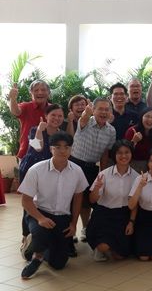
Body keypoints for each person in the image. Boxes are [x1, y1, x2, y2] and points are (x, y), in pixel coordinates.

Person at [18, 132, 88, 279]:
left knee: (59, 263)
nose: (62, 151)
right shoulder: (36, 169)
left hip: (62, 216)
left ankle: (42, 248)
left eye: (66, 147)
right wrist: (40, 218)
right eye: (58, 147)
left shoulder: (77, 171)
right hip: (39, 213)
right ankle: (36, 256)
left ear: (71, 149)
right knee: (41, 234)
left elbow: (78, 198)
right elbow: (26, 200)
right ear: (51, 149)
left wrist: (74, 223)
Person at [70, 97, 115, 243]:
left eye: (106, 109)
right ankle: (70, 231)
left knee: (86, 202)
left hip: (91, 168)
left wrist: (103, 172)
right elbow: (83, 119)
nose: (103, 112)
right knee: (71, 200)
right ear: (93, 110)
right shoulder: (86, 121)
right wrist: (86, 113)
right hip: (75, 165)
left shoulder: (111, 130)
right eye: (100, 109)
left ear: (110, 112)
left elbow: (105, 153)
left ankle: (84, 228)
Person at [87, 140, 138, 261]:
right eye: (119, 153)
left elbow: (135, 203)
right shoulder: (104, 174)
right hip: (104, 214)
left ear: (131, 154)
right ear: (114, 155)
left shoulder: (136, 176)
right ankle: (101, 248)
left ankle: (113, 248)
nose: (123, 156)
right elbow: (92, 200)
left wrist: (131, 222)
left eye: (127, 152)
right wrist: (97, 188)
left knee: (121, 256)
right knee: (103, 246)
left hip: (124, 215)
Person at [8, 80, 50, 160]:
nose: (40, 92)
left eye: (43, 90)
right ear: (31, 93)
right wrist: (12, 99)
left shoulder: (53, 109)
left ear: (48, 92)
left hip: (48, 154)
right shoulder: (26, 106)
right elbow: (15, 111)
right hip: (26, 153)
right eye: (36, 90)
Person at [125, 107, 152, 173]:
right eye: (147, 116)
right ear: (142, 117)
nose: (150, 119)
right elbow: (125, 153)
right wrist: (134, 141)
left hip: (151, 167)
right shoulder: (132, 131)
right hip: (132, 166)